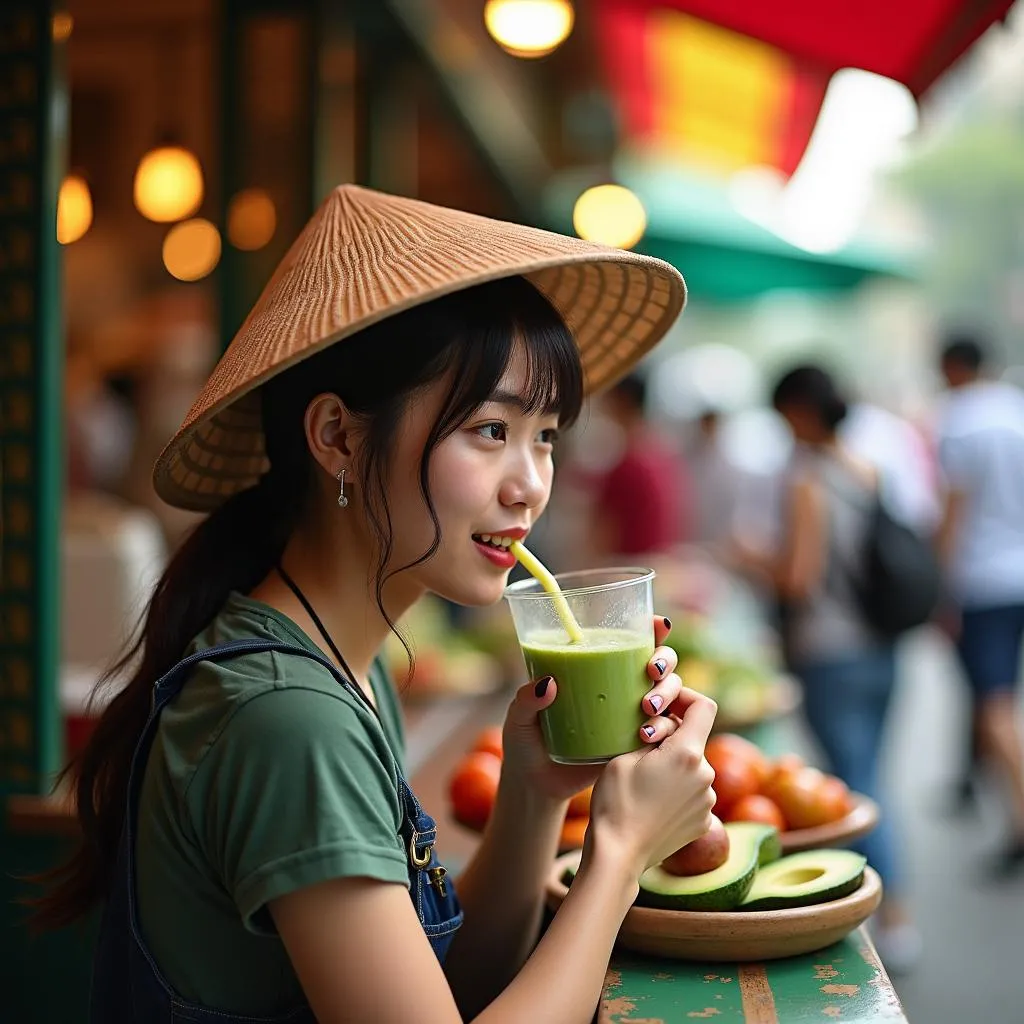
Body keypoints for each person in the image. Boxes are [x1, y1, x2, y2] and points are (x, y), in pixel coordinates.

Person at [35, 185, 718, 1024]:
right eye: (491, 431)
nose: (530, 485)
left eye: (545, 437)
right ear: (338, 438)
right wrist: (618, 855)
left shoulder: (345, 669)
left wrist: (534, 795)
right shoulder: (290, 720)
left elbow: (449, 993)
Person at [733, 364, 919, 972]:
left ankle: (888, 916)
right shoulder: (866, 468)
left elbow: (798, 578)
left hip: (831, 653)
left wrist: (749, 554)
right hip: (883, 649)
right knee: (871, 775)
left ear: (803, 411)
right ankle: (893, 914)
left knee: (851, 785)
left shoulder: (808, 479)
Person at [936, 333, 1024, 874]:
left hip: (983, 581)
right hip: (1017, 574)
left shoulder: (961, 420)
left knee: (994, 703)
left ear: (951, 368)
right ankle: (972, 779)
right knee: (992, 692)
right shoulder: (1015, 409)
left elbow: (953, 511)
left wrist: (941, 585)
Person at [586, 372, 690, 560]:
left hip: (631, 570)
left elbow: (601, 535)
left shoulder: (628, 465)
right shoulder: (663, 454)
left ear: (621, 401)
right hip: (663, 564)